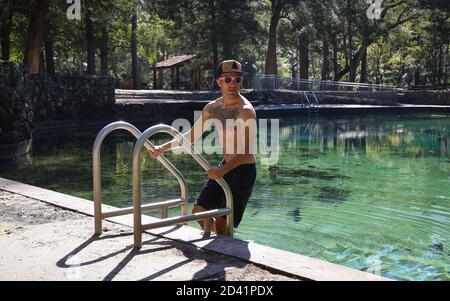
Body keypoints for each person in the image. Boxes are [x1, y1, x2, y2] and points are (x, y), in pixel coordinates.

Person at [148, 60, 257, 235]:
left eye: (237, 79)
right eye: (227, 79)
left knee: (223, 220)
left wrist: (221, 171)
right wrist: (164, 147)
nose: (233, 84)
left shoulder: (246, 110)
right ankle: (221, 240)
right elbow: (191, 135)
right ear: (218, 81)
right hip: (225, 166)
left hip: (243, 170)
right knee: (199, 211)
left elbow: (246, 153)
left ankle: (223, 244)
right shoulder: (212, 109)